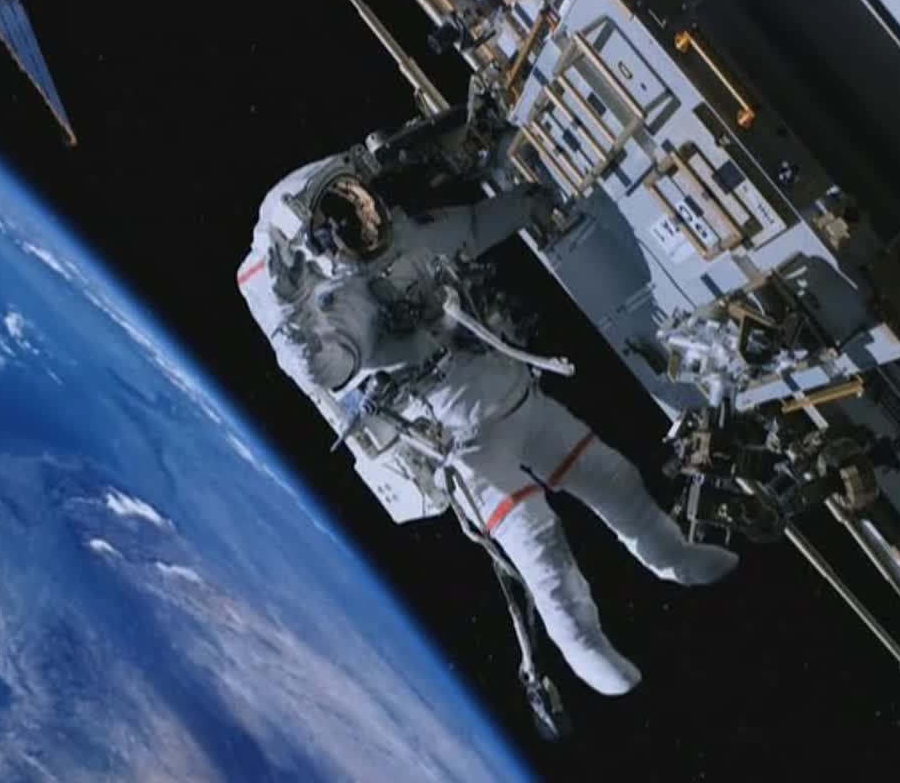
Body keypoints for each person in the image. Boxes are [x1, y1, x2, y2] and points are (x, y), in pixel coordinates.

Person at [241, 161, 739, 695]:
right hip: (468, 449)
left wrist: (529, 202)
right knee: (540, 545)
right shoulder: (341, 306)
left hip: (520, 399)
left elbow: (476, 226)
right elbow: (326, 368)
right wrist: (292, 317)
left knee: (616, 479)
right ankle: (584, 647)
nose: (357, 220)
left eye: (353, 201)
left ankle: (673, 558)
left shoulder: (413, 235)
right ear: (317, 246)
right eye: (337, 222)